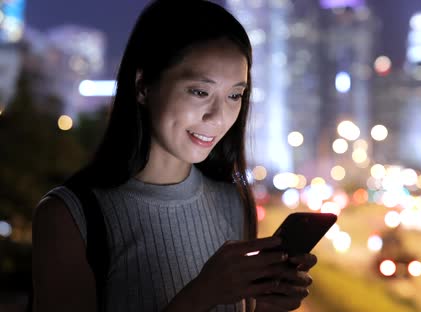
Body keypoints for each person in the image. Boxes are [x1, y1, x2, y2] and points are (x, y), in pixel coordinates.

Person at [31, 1, 316, 311]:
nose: (218, 118)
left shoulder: (233, 200)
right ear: (142, 86)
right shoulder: (69, 216)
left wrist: (267, 304)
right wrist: (202, 295)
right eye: (200, 92)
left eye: (235, 95)